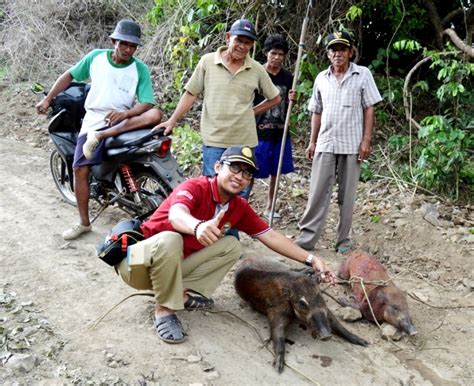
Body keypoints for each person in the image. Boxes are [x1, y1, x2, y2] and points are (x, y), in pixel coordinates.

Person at [117, 145, 336, 343]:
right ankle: (164, 309)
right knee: (172, 238)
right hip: (136, 265)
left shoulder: (238, 206)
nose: (240, 176)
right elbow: (177, 214)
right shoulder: (195, 187)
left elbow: (270, 236)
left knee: (231, 246)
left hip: (168, 271)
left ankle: (181, 293)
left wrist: (311, 259)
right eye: (235, 168)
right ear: (218, 166)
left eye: (247, 173)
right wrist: (197, 226)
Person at [36, 19, 162, 240]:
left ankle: (101, 136)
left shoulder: (139, 68)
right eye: (124, 44)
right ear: (114, 41)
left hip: (124, 120)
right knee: (80, 170)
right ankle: (84, 223)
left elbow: (147, 102)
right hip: (95, 118)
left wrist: (126, 113)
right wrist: (48, 99)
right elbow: (69, 76)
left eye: (133, 46)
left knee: (156, 114)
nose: (129, 49)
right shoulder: (96, 58)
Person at [153, 19, 281, 184]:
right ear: (228, 37)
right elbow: (191, 93)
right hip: (214, 140)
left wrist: (252, 112)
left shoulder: (256, 69)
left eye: (247, 43)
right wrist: (173, 120)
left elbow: (275, 98)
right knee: (213, 188)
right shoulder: (208, 62)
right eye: (239, 40)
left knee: (240, 188)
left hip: (245, 142)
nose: (242, 46)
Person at [296, 32, 382, 253]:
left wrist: (366, 140)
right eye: (334, 49)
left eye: (342, 49)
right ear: (328, 54)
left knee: (347, 194)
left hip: (352, 143)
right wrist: (312, 141)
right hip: (325, 142)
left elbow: (369, 108)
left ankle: (343, 241)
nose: (338, 53)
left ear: (350, 52)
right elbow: (316, 111)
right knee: (317, 191)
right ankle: (307, 238)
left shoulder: (362, 74)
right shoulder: (321, 78)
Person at [254, 34, 296, 219]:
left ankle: (270, 206)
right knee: (250, 168)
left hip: (280, 131)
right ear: (266, 53)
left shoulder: (288, 78)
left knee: (276, 171)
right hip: (258, 131)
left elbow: (289, 104)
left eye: (280, 54)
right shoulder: (257, 73)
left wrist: (294, 99)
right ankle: (243, 204)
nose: (277, 57)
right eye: (273, 53)